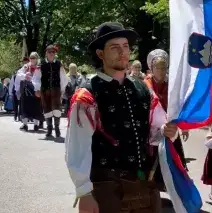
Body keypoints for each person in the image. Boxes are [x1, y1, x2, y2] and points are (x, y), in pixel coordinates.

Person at [65, 22, 178, 213]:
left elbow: (157, 131)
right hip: (107, 188)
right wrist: (84, 193)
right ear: (100, 54)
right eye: (114, 47)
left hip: (145, 185)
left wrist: (167, 131)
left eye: (125, 46)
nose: (123, 52)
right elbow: (77, 148)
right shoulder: (87, 96)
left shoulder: (143, 89)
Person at [144, 49, 189, 190]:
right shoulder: (145, 85)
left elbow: (180, 104)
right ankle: (153, 192)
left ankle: (173, 190)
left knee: (173, 162)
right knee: (153, 163)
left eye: (164, 67)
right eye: (158, 67)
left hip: (170, 128)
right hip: (152, 130)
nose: (162, 71)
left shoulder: (172, 84)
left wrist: (184, 125)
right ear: (152, 69)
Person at [32, 45, 68, 137]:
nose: (51, 54)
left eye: (53, 52)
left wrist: (62, 90)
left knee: (57, 110)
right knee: (47, 109)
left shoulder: (59, 64)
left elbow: (63, 78)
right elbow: (35, 78)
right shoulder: (41, 64)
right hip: (45, 90)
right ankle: (49, 129)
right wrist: (37, 88)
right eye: (49, 52)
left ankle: (57, 129)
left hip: (56, 90)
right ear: (46, 53)